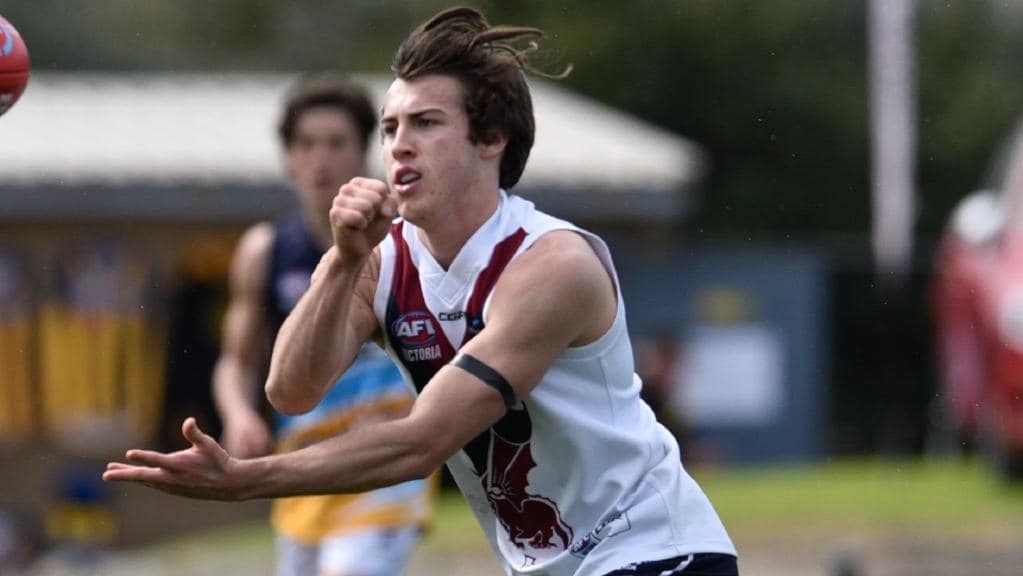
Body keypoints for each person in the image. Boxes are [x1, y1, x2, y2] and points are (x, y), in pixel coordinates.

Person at [105, 7, 738, 576]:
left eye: (426, 122)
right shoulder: (381, 262)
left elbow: (423, 441)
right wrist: (342, 261)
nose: (398, 144)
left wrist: (247, 480)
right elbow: (291, 391)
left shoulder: (551, 265)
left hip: (656, 550)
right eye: (389, 127)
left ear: (492, 140)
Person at [210, 74, 434, 576]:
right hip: (304, 470)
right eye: (306, 144)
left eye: (337, 143)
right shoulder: (263, 251)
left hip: (383, 468)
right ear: (288, 156)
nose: (321, 159)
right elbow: (237, 361)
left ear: (365, 153)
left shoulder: (404, 244)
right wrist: (238, 414)